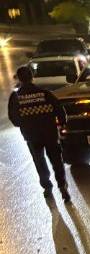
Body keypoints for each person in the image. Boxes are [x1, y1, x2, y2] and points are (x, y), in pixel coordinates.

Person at [7, 65, 70, 202]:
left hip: (31, 136)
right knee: (56, 161)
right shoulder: (44, 93)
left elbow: (14, 119)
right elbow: (60, 110)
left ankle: (47, 186)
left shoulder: (16, 97)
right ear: (32, 77)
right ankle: (62, 186)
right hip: (50, 133)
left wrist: (25, 124)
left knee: (39, 161)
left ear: (19, 79)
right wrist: (62, 125)